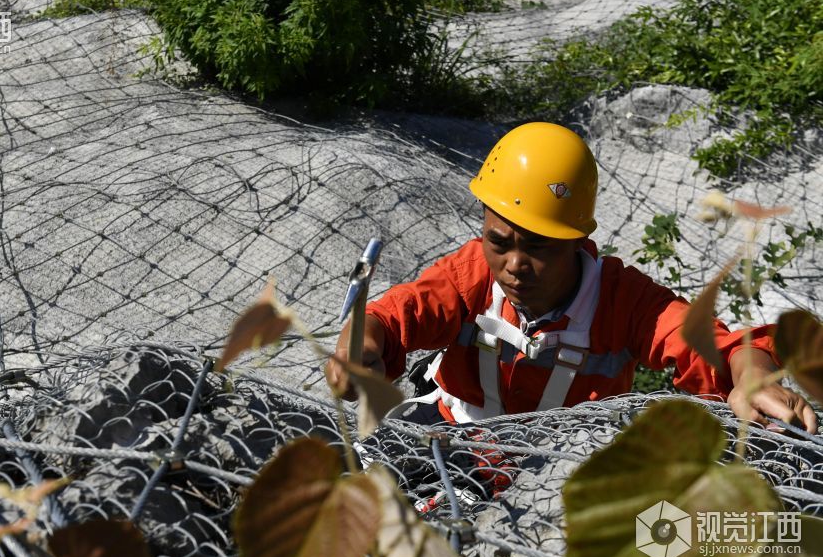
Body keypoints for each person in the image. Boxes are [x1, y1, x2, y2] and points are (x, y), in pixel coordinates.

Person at [326, 122, 818, 434]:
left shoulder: (623, 302)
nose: (515, 264)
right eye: (499, 241)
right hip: (453, 427)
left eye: (538, 246)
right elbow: (396, 316)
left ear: (577, 240)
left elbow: (714, 343)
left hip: (558, 459)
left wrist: (751, 378)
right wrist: (363, 341)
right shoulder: (468, 275)